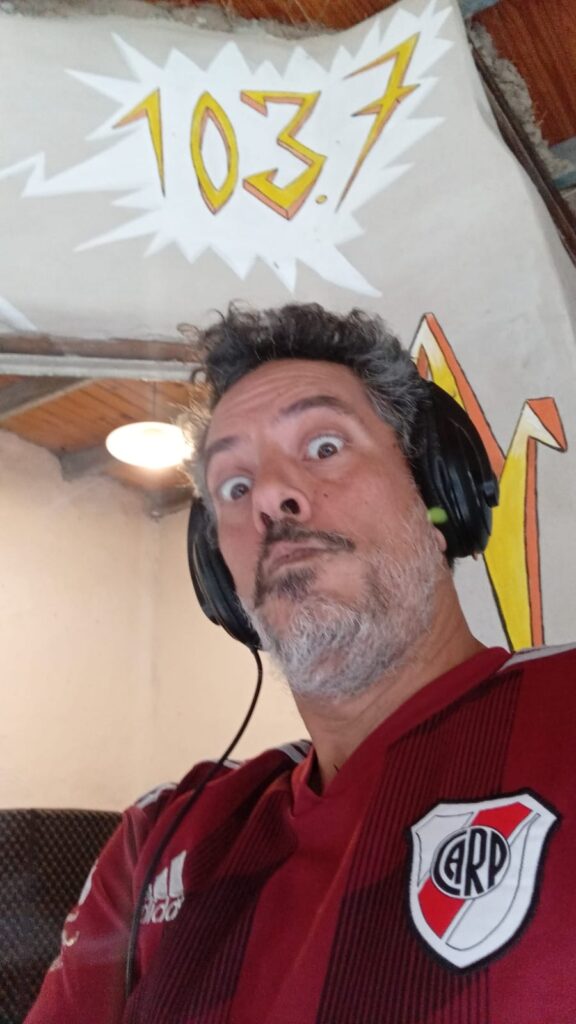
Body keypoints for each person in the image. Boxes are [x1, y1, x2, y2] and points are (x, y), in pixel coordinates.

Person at [27, 304, 576, 1024]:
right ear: (221, 580)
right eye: (233, 486)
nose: (269, 498)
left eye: (323, 446)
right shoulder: (159, 841)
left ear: (436, 497)